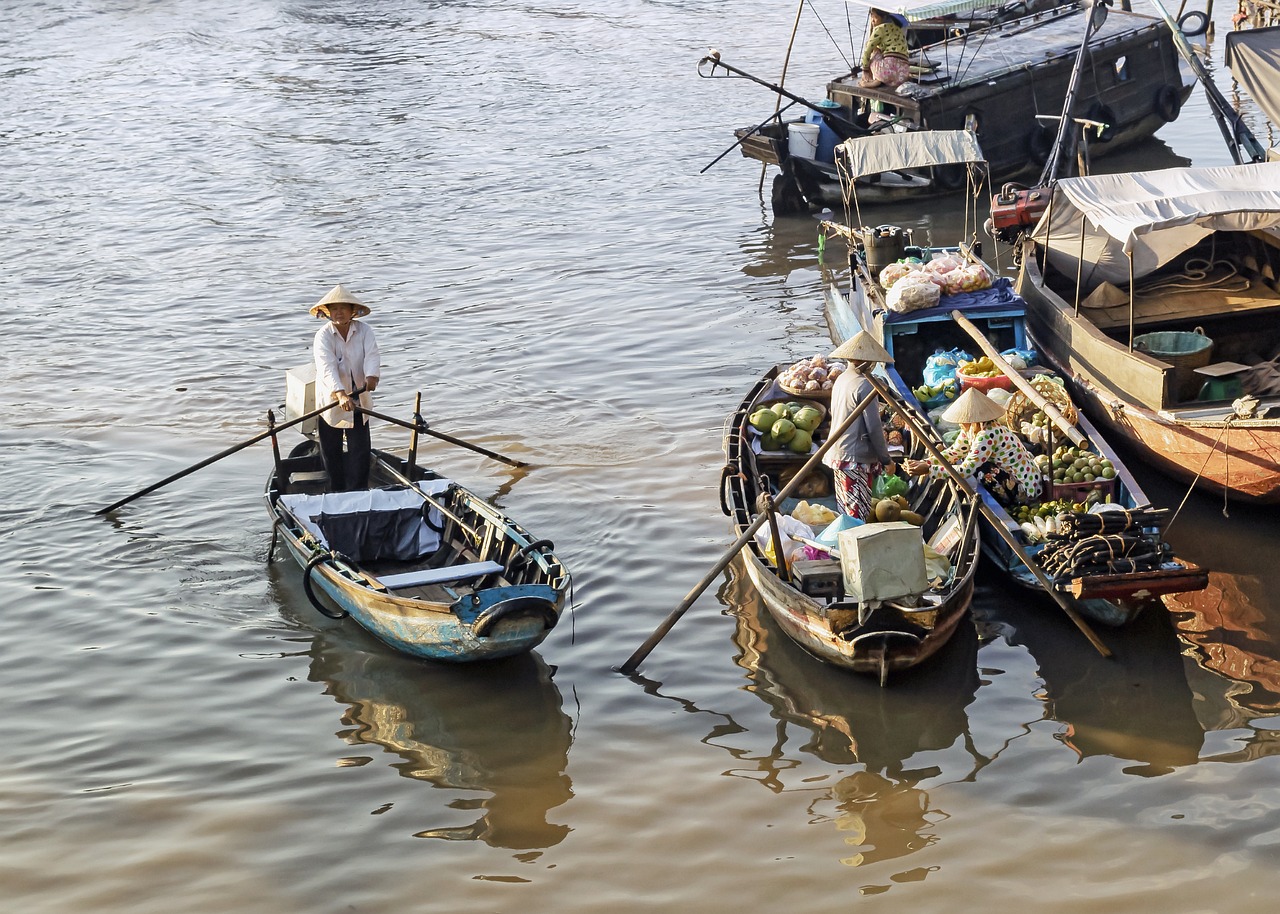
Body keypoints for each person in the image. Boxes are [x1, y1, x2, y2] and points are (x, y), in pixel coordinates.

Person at [903, 387, 1042, 507]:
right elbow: (954, 452)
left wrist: (929, 470)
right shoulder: (971, 430)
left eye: (963, 422)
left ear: (974, 421)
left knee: (981, 469)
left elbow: (965, 471)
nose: (961, 425)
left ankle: (1008, 502)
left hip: (1025, 488)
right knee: (972, 462)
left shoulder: (987, 435)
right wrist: (925, 462)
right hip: (1011, 476)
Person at [311, 283, 381, 492]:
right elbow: (326, 366)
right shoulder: (323, 335)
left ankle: (358, 492)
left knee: (360, 451)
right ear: (329, 312)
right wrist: (340, 394)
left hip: (359, 397)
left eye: (343, 308)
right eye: (334, 309)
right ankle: (336, 492)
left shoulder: (364, 331)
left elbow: (372, 355)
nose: (339, 312)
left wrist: (371, 377)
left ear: (352, 311)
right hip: (331, 400)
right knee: (331, 451)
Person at [822, 331, 897, 520]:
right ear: (866, 362)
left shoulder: (841, 379)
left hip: (838, 453)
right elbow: (874, 428)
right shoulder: (865, 386)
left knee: (846, 508)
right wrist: (886, 459)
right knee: (857, 514)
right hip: (854, 458)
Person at [859, 7, 911, 89]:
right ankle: (880, 79)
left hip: (885, 73)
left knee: (875, 50)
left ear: (883, 17)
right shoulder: (898, 29)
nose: (872, 21)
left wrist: (865, 70)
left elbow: (867, 51)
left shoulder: (880, 28)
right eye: (871, 18)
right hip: (902, 75)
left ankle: (874, 79)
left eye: (874, 18)